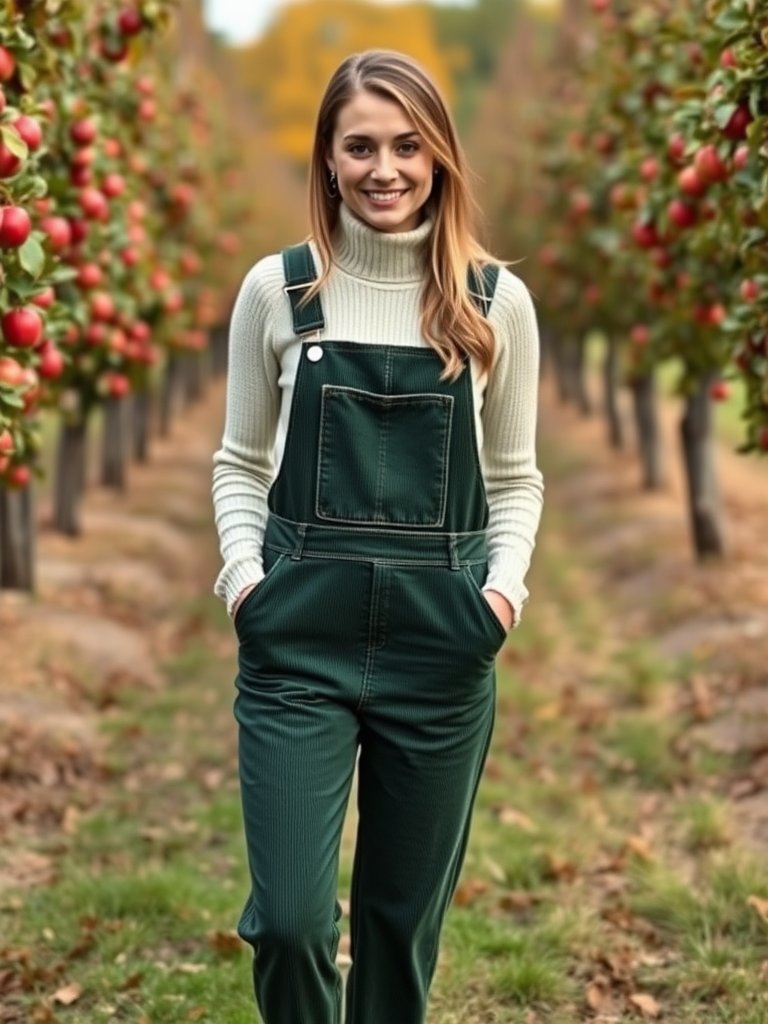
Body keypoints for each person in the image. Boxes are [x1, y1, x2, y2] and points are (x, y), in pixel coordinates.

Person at [211, 48, 544, 1024]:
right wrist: (244, 580)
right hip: (296, 644)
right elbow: (236, 461)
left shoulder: (492, 305)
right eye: (360, 146)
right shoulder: (280, 293)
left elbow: (519, 478)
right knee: (290, 922)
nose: (384, 168)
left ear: (440, 156)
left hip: (441, 649)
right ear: (326, 158)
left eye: (407, 145)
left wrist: (501, 595)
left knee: (400, 928)